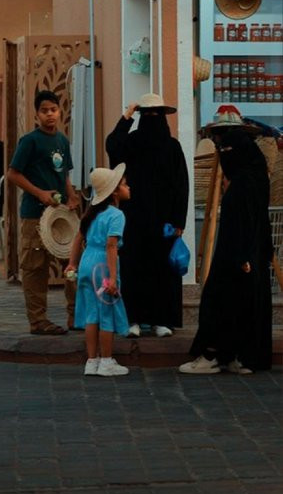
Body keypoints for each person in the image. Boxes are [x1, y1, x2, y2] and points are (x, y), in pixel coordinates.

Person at [179, 127, 273, 375]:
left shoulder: (241, 186)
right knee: (244, 307)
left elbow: (241, 225)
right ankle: (239, 357)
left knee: (218, 303)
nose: (224, 156)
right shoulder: (258, 179)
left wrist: (241, 257)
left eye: (227, 150)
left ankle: (211, 356)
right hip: (253, 258)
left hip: (235, 258)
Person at [106, 93, 188, 337]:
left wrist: (179, 221)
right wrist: (127, 117)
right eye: (148, 114)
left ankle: (161, 320)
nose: (153, 119)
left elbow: (181, 185)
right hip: (134, 217)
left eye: (155, 114)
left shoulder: (172, 147)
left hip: (164, 220)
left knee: (162, 268)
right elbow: (112, 145)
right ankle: (133, 318)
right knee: (134, 266)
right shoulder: (131, 143)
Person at [7, 89, 80, 336]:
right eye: (44, 110)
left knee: (73, 264)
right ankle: (38, 321)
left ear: (60, 112)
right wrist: (39, 193)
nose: (50, 114)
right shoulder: (29, 141)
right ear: (37, 114)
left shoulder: (62, 141)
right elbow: (13, 173)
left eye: (54, 110)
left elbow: (64, 174)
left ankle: (75, 315)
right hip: (35, 215)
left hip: (61, 215)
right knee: (35, 268)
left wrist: (71, 195)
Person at [67, 165, 131, 376]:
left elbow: (78, 238)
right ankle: (106, 360)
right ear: (115, 192)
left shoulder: (91, 213)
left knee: (91, 314)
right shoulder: (116, 215)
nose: (128, 187)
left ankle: (91, 360)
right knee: (106, 313)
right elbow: (111, 246)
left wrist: (72, 263)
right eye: (124, 185)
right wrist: (112, 277)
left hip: (87, 262)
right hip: (102, 265)